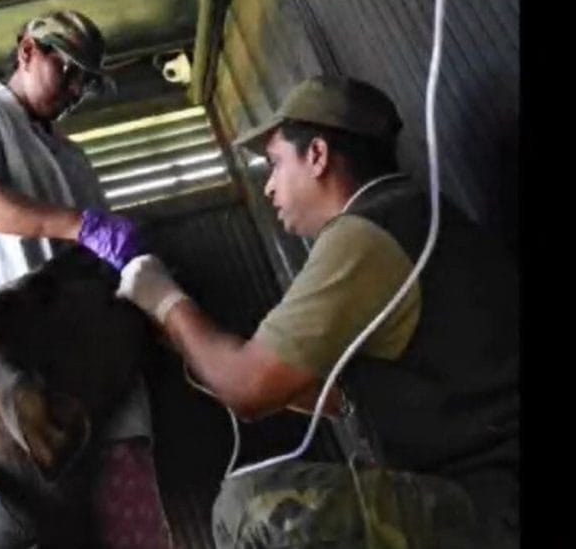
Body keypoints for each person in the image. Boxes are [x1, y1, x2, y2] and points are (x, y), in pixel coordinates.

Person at [117, 76, 519, 547]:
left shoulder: (364, 236)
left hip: (492, 504)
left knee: (247, 509)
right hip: (484, 491)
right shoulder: (409, 215)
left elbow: (248, 389)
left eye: (274, 164)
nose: (267, 187)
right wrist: (192, 345)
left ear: (318, 156)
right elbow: (335, 395)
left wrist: (163, 298)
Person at [0, 10, 172, 548]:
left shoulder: (71, 158)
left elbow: (99, 264)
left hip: (92, 375)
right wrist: (81, 225)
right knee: (9, 529)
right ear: (28, 50)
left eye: (86, 81)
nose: (76, 89)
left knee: (133, 530)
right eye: (68, 70)